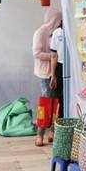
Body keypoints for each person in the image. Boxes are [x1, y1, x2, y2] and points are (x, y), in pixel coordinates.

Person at [32, 9, 62, 147]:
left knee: (56, 103)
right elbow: (37, 53)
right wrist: (53, 56)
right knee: (46, 104)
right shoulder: (40, 32)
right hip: (45, 73)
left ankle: (52, 132)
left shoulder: (57, 32)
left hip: (55, 72)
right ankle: (40, 134)